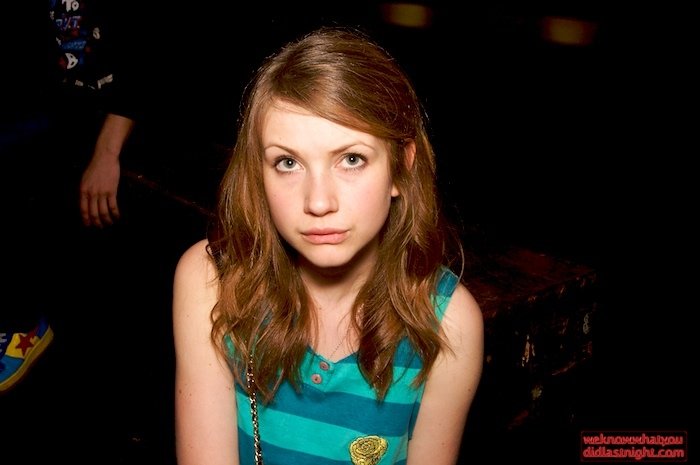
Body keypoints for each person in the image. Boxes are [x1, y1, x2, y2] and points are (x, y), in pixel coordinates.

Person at [173, 26, 484, 465]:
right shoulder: (213, 284)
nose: (318, 202)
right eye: (288, 162)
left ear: (400, 168)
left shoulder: (447, 323)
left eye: (351, 159)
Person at [1, 0, 139, 393]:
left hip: (120, 120)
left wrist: (107, 152)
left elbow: (148, 66)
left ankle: (24, 325)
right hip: (60, 111)